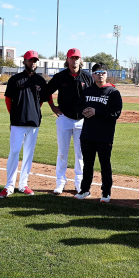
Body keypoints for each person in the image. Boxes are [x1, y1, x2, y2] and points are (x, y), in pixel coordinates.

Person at [0, 50, 47, 198]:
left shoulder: (40, 80)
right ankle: (9, 185)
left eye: (35, 61)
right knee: (14, 152)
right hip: (17, 122)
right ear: (24, 61)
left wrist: (34, 113)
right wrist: (13, 116)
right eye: (30, 60)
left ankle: (23, 184)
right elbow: (8, 99)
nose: (33, 63)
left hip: (33, 123)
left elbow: (41, 101)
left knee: (28, 154)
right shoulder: (15, 79)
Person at [44, 48, 93, 194]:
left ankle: (79, 182)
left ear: (80, 59)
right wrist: (53, 107)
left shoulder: (87, 77)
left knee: (80, 154)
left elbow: (93, 95)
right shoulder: (60, 76)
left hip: (82, 121)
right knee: (62, 152)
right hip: (64, 118)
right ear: (67, 59)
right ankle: (60, 182)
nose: (75, 60)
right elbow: (47, 91)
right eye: (72, 58)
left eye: (77, 57)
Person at [74, 63, 122, 202]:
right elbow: (78, 105)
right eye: (97, 72)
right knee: (87, 164)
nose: (100, 74)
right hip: (88, 134)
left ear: (107, 74)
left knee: (105, 164)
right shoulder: (88, 91)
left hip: (104, 135)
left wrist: (97, 112)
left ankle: (106, 192)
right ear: (93, 75)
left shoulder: (113, 92)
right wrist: (82, 111)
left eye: (103, 72)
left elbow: (116, 113)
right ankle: (84, 190)